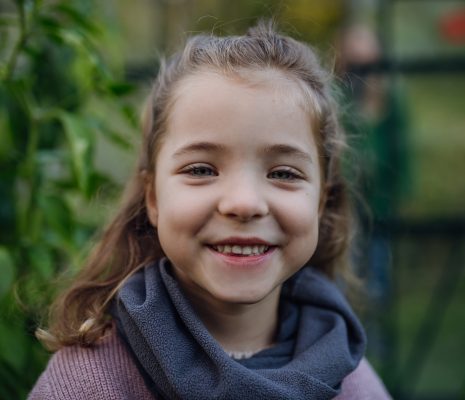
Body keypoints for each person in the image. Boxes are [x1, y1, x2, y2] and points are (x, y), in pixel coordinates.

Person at [28, 21, 392, 400]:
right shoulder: (89, 383)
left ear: (320, 202)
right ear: (152, 197)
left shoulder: (350, 379)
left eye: (283, 173)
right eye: (201, 170)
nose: (244, 203)